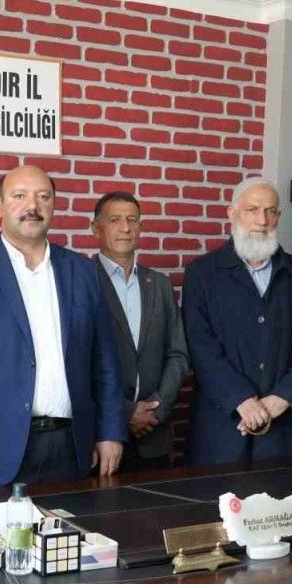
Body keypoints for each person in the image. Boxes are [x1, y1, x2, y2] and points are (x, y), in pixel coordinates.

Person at [0, 165, 123, 496]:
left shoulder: (84, 271)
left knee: (75, 528)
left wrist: (110, 432)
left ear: (54, 204)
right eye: (19, 196)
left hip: (73, 446)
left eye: (43, 197)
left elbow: (105, 361)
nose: (32, 206)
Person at [182, 176, 292, 465]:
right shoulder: (202, 273)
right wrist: (241, 400)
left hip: (286, 431)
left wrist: (282, 398)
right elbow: (200, 346)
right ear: (232, 213)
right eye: (252, 210)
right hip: (221, 431)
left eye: (270, 211)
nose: (262, 221)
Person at [90, 191, 189, 472]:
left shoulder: (159, 284)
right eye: (115, 220)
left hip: (154, 437)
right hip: (100, 438)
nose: (125, 228)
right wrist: (126, 412)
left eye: (132, 220)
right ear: (96, 228)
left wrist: (156, 408)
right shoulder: (81, 281)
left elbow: (178, 355)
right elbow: (73, 362)